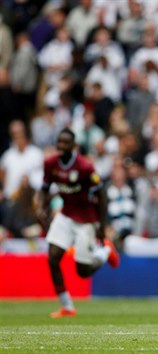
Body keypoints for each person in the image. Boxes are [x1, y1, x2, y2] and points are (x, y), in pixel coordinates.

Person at [36, 128, 120, 318]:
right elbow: (44, 188)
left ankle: (105, 251)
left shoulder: (84, 167)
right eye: (59, 142)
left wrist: (101, 225)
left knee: (82, 271)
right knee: (52, 257)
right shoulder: (50, 164)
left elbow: (101, 195)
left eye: (65, 143)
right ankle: (67, 306)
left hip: (85, 219)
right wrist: (41, 206)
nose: (61, 146)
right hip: (65, 215)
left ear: (73, 146)